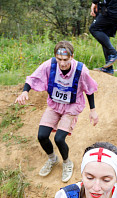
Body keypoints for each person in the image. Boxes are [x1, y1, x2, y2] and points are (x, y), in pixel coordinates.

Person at [15, 41, 99, 183]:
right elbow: (33, 77)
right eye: (59, 59)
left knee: (59, 138)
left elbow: (89, 89)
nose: (62, 63)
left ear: (72, 56)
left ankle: (67, 162)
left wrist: (93, 110)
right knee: (42, 135)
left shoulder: (81, 70)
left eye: (65, 60)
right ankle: (52, 159)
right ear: (55, 57)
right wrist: (25, 92)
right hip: (54, 105)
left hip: (72, 107)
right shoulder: (50, 65)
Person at [89, 0, 117, 74]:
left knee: (94, 29)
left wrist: (94, 3)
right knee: (104, 33)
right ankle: (108, 68)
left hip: (116, 9)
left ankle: (114, 53)